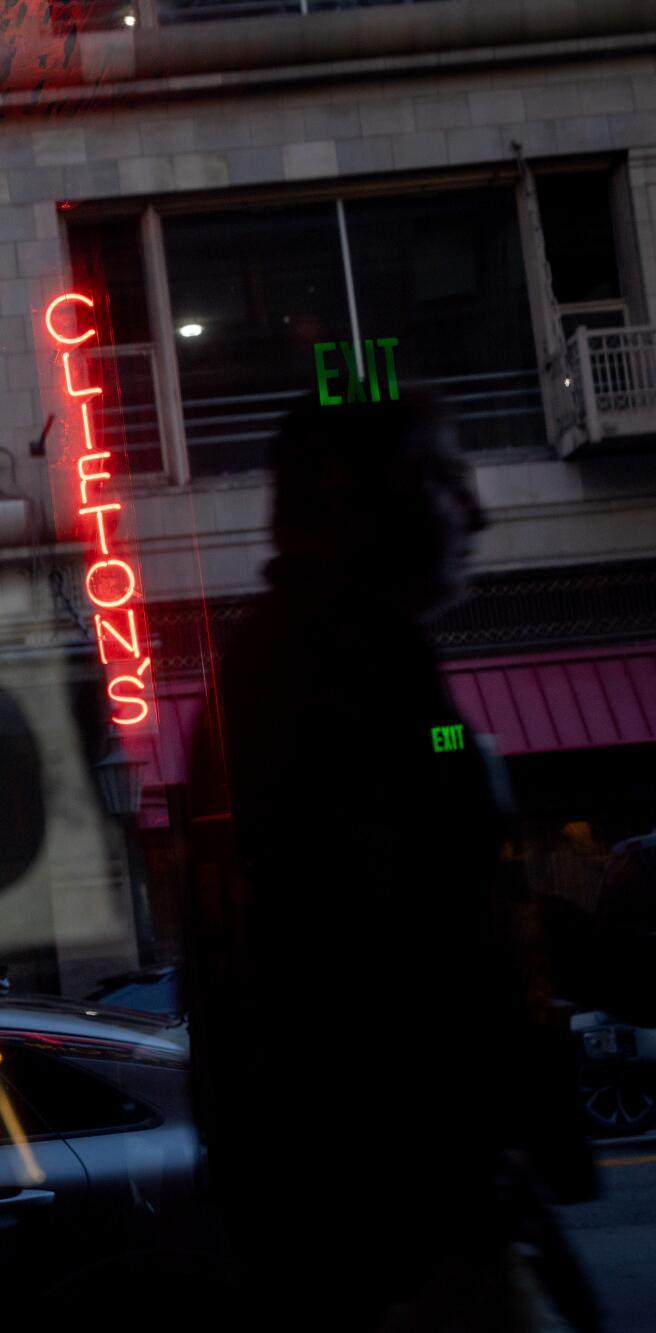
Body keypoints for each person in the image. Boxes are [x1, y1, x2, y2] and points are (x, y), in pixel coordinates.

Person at [181, 393, 598, 1331]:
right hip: (403, 1232)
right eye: (450, 481)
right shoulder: (338, 675)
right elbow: (386, 948)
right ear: (374, 504)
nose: (478, 514)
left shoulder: (351, 663)